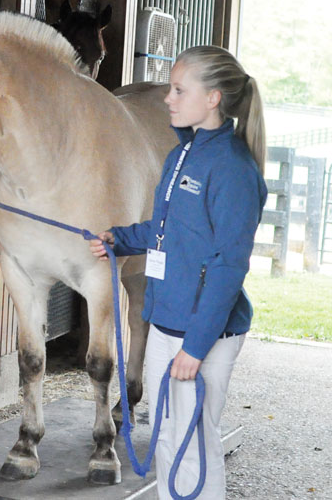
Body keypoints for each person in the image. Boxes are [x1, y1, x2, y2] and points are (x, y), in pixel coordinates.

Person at [89, 45, 267, 498]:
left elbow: (229, 267)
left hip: (201, 332)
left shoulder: (233, 169)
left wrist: (195, 346)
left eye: (178, 89)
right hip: (166, 319)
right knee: (168, 439)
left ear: (212, 99)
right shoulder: (181, 153)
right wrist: (120, 238)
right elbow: (167, 228)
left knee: (195, 443)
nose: (167, 98)